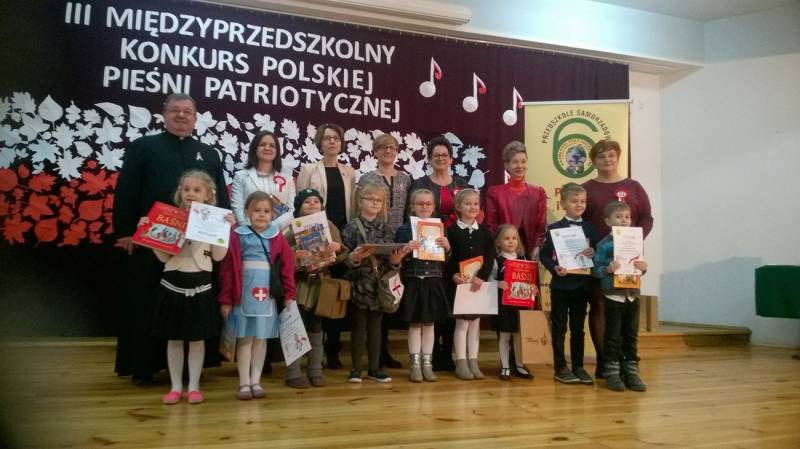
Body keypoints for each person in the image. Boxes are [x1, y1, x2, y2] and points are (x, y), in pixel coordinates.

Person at [113, 93, 230, 385]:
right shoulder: (143, 147)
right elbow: (127, 190)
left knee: (193, 306)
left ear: (195, 118)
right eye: (175, 110)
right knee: (146, 302)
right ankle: (143, 366)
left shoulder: (209, 153)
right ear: (164, 114)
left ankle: (193, 369)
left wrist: (224, 226)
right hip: (152, 241)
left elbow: (220, 199)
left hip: (197, 248)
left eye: (187, 111)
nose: (181, 115)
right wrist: (125, 232)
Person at [140, 170, 232, 404]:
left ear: (208, 195)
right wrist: (150, 233)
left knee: (197, 340)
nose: (191, 194)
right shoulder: (168, 217)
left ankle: (193, 386)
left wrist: (226, 230)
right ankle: (175, 386)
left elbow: (219, 256)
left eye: (197, 190)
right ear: (180, 192)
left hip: (201, 286)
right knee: (174, 339)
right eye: (186, 189)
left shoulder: (215, 220)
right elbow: (163, 258)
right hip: (172, 285)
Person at [582, 139, 653, 378]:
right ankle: (605, 361)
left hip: (628, 261)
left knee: (626, 309)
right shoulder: (587, 188)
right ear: (594, 161)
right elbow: (581, 221)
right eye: (601, 156)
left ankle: (624, 360)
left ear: (618, 157)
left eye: (611, 155)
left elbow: (647, 218)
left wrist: (633, 241)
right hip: (601, 260)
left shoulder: (634, 186)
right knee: (600, 306)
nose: (607, 160)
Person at [218, 191, 296, 400]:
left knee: (261, 339)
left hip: (266, 295)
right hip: (243, 294)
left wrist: (290, 293)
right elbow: (227, 270)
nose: (262, 215)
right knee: (245, 339)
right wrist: (225, 300)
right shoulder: (237, 235)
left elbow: (287, 267)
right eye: (257, 210)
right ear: (247, 212)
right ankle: (244, 382)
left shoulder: (276, 236)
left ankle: (256, 381)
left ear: (272, 214)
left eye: (267, 211)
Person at [296, 123, 356, 370]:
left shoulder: (349, 172)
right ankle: (308, 353)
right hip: (314, 238)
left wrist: (341, 242)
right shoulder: (308, 169)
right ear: (319, 143)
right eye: (327, 138)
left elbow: (352, 206)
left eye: (336, 138)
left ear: (341, 143)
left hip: (338, 237)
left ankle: (332, 349)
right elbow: (301, 204)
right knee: (312, 296)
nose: (332, 142)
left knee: (334, 294)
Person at [409, 136, 468, 371]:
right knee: (433, 301)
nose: (441, 158)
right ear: (429, 159)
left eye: (445, 155)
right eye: (436, 155)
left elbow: (471, 211)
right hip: (428, 250)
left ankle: (447, 353)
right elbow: (411, 217)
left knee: (452, 300)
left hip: (454, 245)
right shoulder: (420, 184)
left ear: (451, 159)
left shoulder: (461, 183)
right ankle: (430, 355)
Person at [341, 183, 409, 383]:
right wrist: (354, 257)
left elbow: (391, 260)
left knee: (376, 329)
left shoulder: (386, 229)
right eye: (370, 198)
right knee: (358, 328)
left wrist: (396, 261)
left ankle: (374, 368)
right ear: (359, 202)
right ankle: (355, 369)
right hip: (359, 284)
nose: (374, 202)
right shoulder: (351, 227)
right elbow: (343, 258)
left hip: (379, 285)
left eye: (378, 200)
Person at [283, 188, 349, 388]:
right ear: (299, 208)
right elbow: (282, 256)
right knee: (296, 327)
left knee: (317, 327)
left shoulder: (329, 226)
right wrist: (295, 253)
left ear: (322, 206)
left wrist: (337, 249)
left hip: (320, 284)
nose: (312, 204)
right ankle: (293, 372)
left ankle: (315, 370)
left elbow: (342, 254)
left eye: (316, 201)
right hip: (300, 284)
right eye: (307, 202)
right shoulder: (292, 228)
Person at [358, 133, 412, 370]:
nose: (388, 151)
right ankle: (373, 353)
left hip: (397, 243)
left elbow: (408, 211)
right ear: (375, 152)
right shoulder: (367, 178)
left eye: (392, 148)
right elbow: (358, 209)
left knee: (389, 294)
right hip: (374, 240)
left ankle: (384, 351)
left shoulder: (405, 178)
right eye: (383, 147)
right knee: (372, 297)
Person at [540, 183, 599, 385]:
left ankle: (579, 367)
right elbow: (544, 254)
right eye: (574, 201)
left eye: (583, 201)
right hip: (561, 285)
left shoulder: (590, 228)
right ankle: (560, 367)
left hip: (582, 286)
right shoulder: (554, 228)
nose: (579, 205)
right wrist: (554, 267)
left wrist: (593, 252)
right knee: (559, 327)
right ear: (563, 203)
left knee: (578, 328)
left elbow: (597, 254)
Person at [394, 189, 451, 382]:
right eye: (420, 203)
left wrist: (447, 247)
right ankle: (415, 365)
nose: (424, 206)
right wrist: (405, 249)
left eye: (428, 203)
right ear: (412, 206)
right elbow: (395, 259)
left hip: (433, 280)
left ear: (434, 206)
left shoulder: (440, 229)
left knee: (429, 323)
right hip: (413, 281)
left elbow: (446, 260)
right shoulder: (404, 230)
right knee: (415, 323)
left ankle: (428, 364)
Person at [592, 201, 648, 392]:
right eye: (619, 217)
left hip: (632, 295)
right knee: (613, 335)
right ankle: (612, 372)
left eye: (627, 217)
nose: (624, 220)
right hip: (613, 296)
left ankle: (631, 372)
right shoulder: (604, 244)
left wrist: (644, 268)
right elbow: (595, 271)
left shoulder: (636, 243)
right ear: (608, 222)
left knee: (631, 335)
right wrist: (607, 269)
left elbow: (640, 268)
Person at [446, 189, 495, 380]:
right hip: (460, 285)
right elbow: (448, 258)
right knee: (462, 324)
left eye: (475, 204)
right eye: (467, 204)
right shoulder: (451, 231)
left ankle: (473, 361)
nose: (472, 207)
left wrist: (482, 276)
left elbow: (489, 256)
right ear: (458, 207)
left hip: (478, 285)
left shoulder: (484, 231)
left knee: (475, 324)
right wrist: (453, 275)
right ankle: (461, 361)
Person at [484, 140, 547, 261]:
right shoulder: (495, 193)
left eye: (523, 161)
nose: (520, 166)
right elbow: (491, 225)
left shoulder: (538, 192)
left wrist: (537, 246)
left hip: (530, 253)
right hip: (504, 254)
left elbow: (541, 225)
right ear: (506, 165)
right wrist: (500, 251)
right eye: (515, 162)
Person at [492, 224, 537, 381]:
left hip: (520, 304)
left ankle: (519, 364)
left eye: (514, 238)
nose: (511, 241)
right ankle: (505, 366)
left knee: (518, 335)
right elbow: (490, 279)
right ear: (498, 242)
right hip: (504, 305)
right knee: (505, 335)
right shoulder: (497, 260)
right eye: (506, 238)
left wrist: (532, 289)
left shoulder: (524, 260)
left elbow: (529, 281)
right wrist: (498, 284)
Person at [230, 131, 296, 230]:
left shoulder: (288, 179)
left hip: (279, 233)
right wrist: (250, 230)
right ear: (255, 149)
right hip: (248, 233)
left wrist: (273, 227)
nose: (267, 148)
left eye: (272, 146)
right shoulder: (240, 176)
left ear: (277, 151)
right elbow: (237, 207)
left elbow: (292, 210)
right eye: (262, 144)